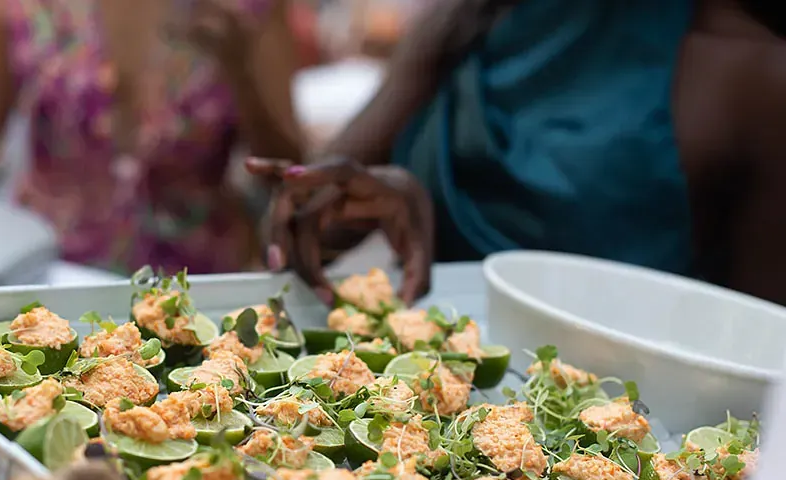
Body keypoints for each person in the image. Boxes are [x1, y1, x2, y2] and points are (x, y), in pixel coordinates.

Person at [249, 0, 786, 307]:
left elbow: (761, 371)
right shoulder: (468, 22)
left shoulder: (752, 76)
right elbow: (297, 231)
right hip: (420, 429)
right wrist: (386, 199)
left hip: (622, 470)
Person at [0, 0, 303, 275]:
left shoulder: (245, 10)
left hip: (194, 290)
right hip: (47, 278)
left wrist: (242, 73)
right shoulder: (31, 7)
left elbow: (290, 174)